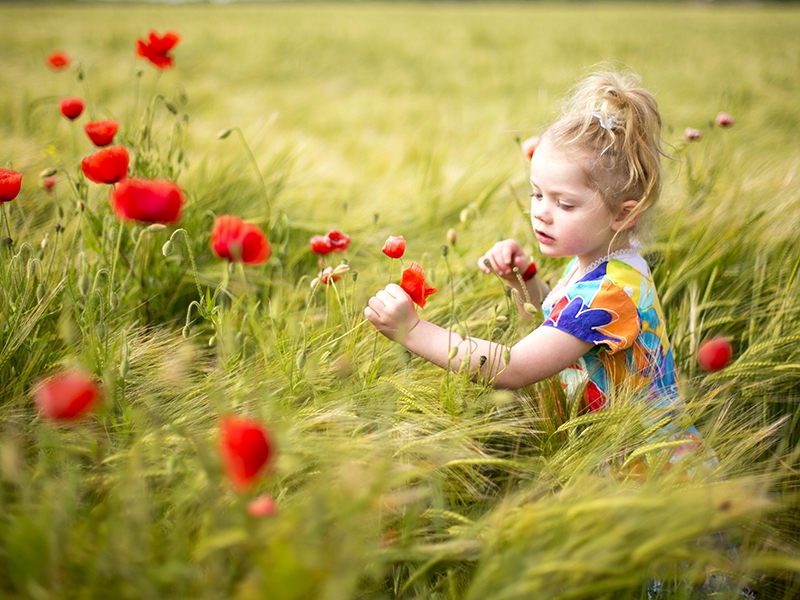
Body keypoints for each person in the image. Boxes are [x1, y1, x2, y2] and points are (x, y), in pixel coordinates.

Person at [364, 70, 709, 478]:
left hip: (649, 472)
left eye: (565, 204)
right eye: (536, 193)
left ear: (623, 214)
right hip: (620, 456)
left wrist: (414, 331)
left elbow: (516, 368)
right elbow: (560, 325)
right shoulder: (605, 263)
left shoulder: (611, 292)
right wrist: (526, 280)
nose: (541, 212)